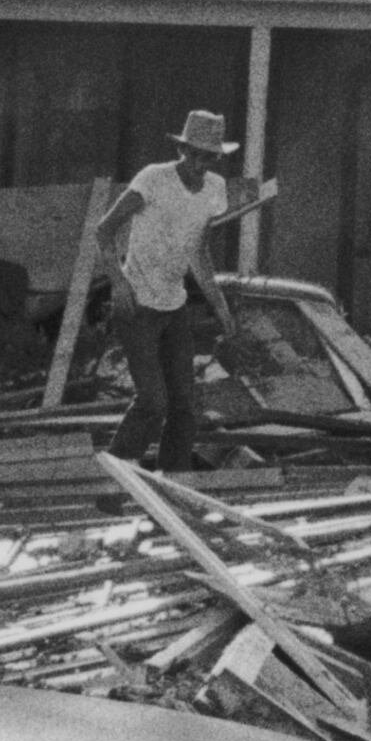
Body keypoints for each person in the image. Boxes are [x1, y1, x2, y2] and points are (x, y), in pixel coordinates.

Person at [96, 109, 240, 473]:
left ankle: (173, 482)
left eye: (208, 157)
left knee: (184, 406)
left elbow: (198, 251)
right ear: (183, 150)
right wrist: (118, 283)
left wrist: (220, 305)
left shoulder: (214, 189)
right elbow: (104, 230)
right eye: (194, 154)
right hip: (137, 305)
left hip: (174, 306)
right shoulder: (153, 179)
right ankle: (114, 478)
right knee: (152, 401)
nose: (199, 164)